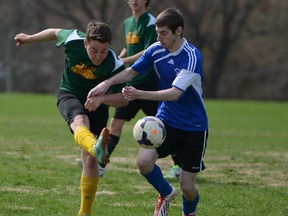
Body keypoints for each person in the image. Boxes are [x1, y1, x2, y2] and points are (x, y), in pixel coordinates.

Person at [87, 8, 208, 216]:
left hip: (193, 127)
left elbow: (174, 94)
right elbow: (132, 72)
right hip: (166, 121)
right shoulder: (155, 49)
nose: (158, 37)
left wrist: (139, 94)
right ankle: (166, 192)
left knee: (187, 188)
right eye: (157, 32)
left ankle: (189, 212)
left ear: (178, 31)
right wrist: (106, 83)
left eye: (163, 33)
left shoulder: (191, 56)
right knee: (143, 162)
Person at [14, 20, 128, 216]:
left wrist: (103, 99)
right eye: (94, 50)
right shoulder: (74, 39)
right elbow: (53, 32)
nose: (99, 56)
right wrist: (29, 39)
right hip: (70, 93)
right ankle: (95, 147)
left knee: (90, 162)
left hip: (97, 103)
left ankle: (84, 212)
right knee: (80, 121)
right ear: (85, 43)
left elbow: (123, 100)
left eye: (103, 51)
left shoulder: (114, 63)